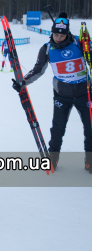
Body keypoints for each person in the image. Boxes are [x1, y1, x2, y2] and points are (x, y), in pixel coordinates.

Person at [12, 13, 92, 172]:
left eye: (62, 35)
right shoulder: (47, 48)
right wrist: (22, 83)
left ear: (67, 33)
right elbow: (37, 70)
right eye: (56, 34)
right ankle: (53, 158)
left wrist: (88, 49)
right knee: (57, 129)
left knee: (90, 128)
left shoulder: (79, 42)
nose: (58, 38)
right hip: (62, 95)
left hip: (85, 93)